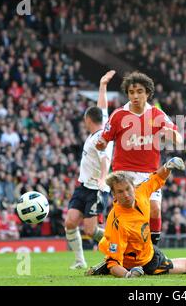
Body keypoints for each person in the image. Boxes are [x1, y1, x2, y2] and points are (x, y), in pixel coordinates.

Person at [85, 157, 186, 278]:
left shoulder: (141, 191)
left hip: (147, 250)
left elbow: (157, 178)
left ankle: (104, 260)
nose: (127, 195)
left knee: (111, 247)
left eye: (128, 189)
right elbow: (114, 263)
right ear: (113, 194)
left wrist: (168, 165)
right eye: (120, 192)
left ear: (133, 187)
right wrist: (129, 275)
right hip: (144, 263)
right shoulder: (117, 221)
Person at [96, 71, 183, 245]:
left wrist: (172, 134)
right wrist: (101, 144)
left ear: (148, 93)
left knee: (154, 210)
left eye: (139, 92)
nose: (135, 96)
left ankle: (153, 250)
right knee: (123, 214)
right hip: (123, 173)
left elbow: (179, 138)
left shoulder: (157, 114)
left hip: (149, 173)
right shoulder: (118, 115)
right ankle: (115, 250)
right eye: (131, 92)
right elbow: (104, 140)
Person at [64, 70, 115, 269]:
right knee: (70, 222)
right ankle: (79, 261)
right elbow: (102, 107)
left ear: (87, 120)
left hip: (96, 188)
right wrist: (102, 86)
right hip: (83, 186)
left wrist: (103, 180)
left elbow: (105, 159)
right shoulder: (102, 128)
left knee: (91, 230)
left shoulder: (101, 138)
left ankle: (116, 244)